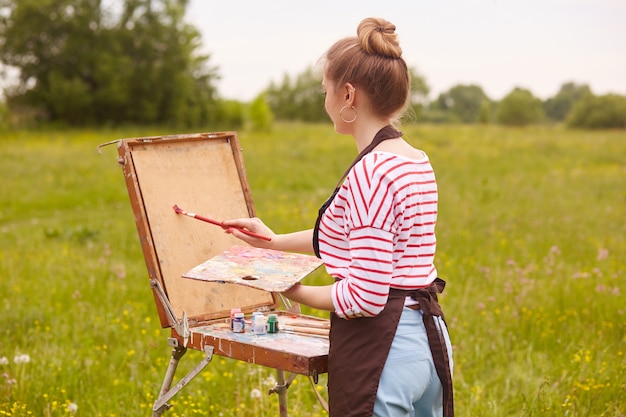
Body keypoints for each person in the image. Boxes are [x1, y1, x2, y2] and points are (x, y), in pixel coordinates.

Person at [223, 17, 454, 417]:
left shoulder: (371, 173)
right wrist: (273, 242)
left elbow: (365, 296)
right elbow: (366, 240)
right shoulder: (414, 160)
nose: (324, 99)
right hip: (428, 346)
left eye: (325, 90)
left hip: (386, 355)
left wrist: (291, 289)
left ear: (348, 95)